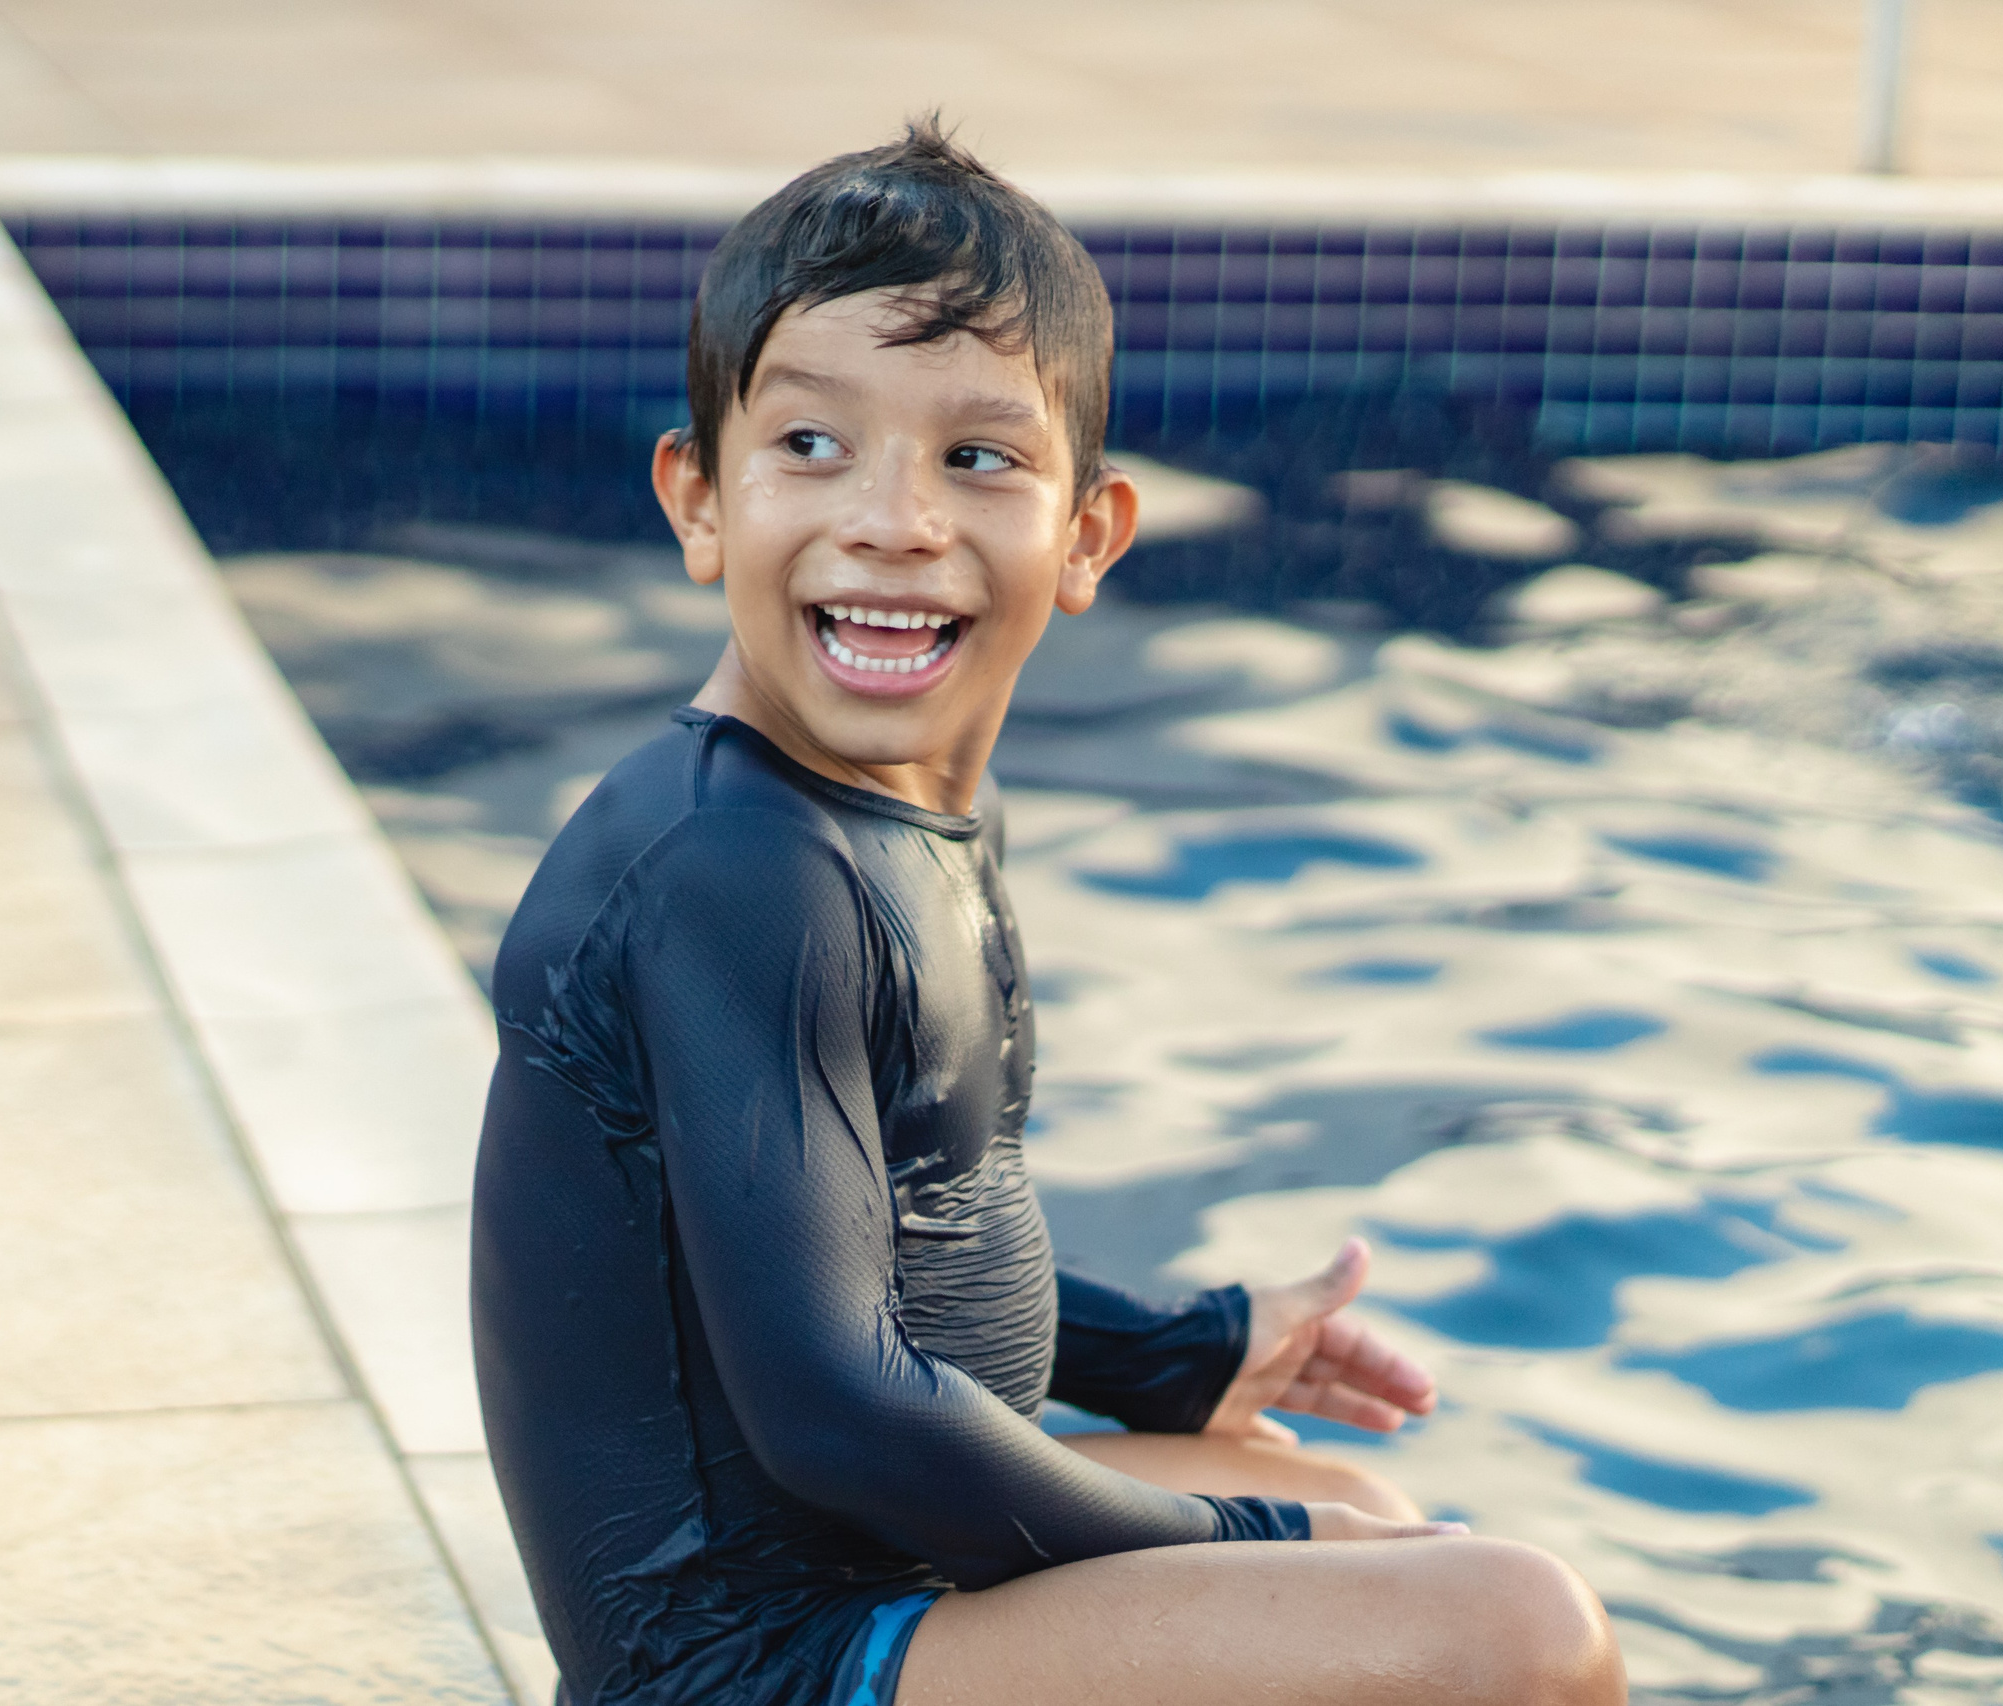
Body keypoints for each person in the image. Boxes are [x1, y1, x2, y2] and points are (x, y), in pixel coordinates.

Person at [470, 117, 1625, 1706]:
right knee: (1520, 1631)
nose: (894, 517)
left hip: (870, 1569)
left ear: (1087, 535)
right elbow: (839, 1410)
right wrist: (1255, 1534)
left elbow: (861, 1236)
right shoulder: (734, 867)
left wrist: (1178, 1353)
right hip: (752, 1658)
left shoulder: (896, 809)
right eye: (811, 443)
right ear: (701, 501)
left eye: (978, 457)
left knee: (1356, 1501)